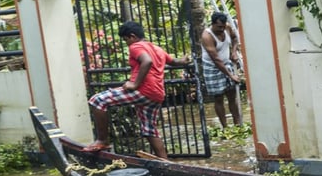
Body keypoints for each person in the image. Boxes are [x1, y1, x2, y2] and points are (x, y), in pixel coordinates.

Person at [84, 20, 191, 159]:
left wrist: (134, 84)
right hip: (157, 94)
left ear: (132, 36)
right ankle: (166, 163)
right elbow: (174, 62)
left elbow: (147, 61)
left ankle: (102, 140)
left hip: (143, 90)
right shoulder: (157, 48)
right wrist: (183, 60)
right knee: (149, 130)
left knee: (97, 100)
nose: (126, 43)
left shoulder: (136, 46)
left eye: (125, 39)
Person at [200, 11, 242, 128]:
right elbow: (216, 60)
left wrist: (234, 52)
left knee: (232, 95)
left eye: (223, 27)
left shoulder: (227, 28)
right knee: (218, 98)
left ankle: (237, 124)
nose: (222, 29)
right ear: (212, 24)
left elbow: (234, 39)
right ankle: (225, 127)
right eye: (219, 27)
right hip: (212, 68)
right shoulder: (207, 36)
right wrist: (231, 75)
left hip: (227, 63)